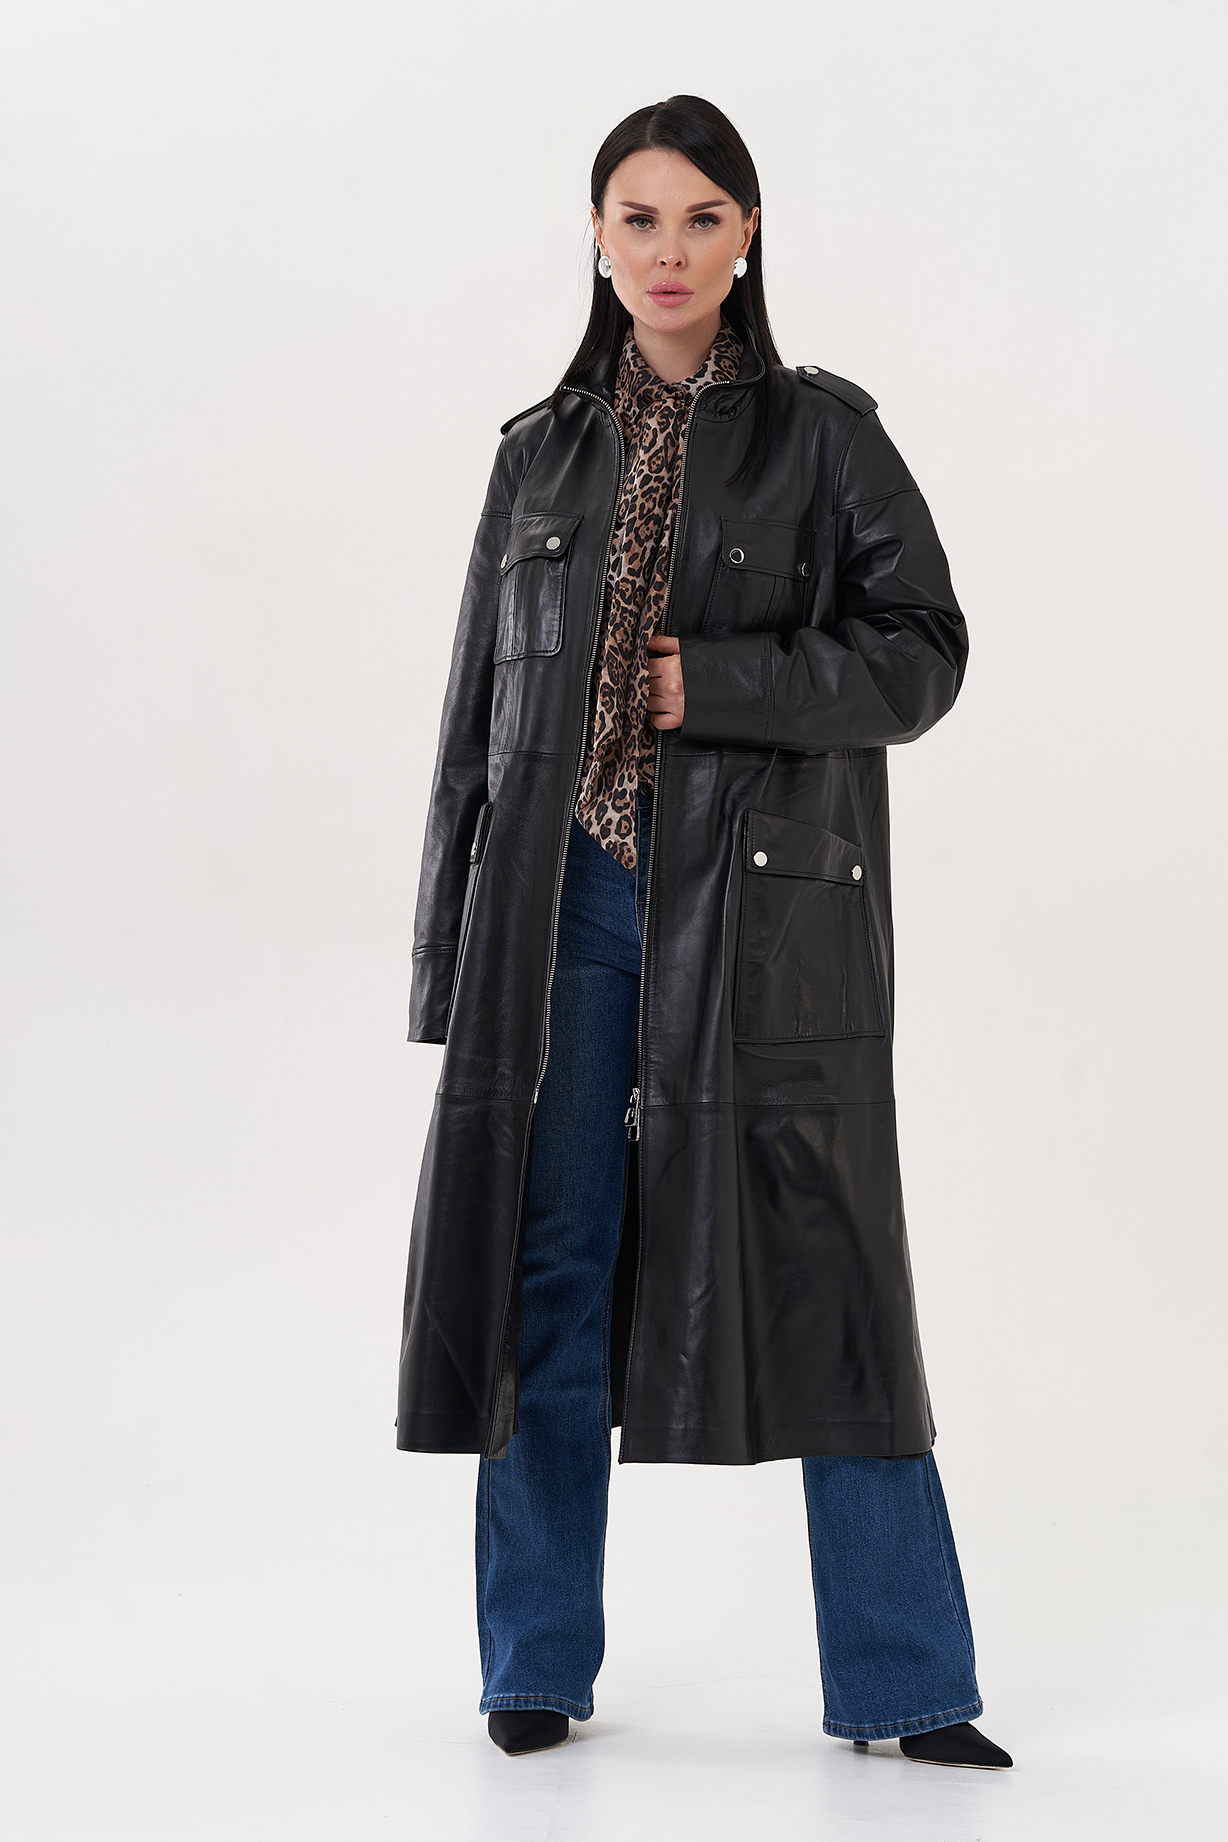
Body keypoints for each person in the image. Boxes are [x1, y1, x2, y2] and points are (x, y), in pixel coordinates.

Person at [396, 95, 1012, 1771]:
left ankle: (909, 1681)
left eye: (701, 218)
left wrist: (722, 682)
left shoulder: (826, 437)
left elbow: (925, 650)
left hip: (761, 919)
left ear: (748, 237)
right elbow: (471, 726)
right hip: (562, 910)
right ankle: (533, 1658)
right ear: (597, 238)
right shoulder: (536, 454)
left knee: (835, 1274)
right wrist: (450, 958)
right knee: (550, 1263)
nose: (668, 251)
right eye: (638, 218)